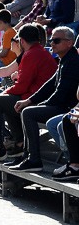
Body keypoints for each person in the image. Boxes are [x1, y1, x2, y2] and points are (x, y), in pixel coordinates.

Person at [0, 24, 56, 161]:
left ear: (22, 41)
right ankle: (19, 143)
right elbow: (13, 76)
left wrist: (3, 94)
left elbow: (22, 86)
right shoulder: (38, 51)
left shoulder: (31, 54)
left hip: (37, 100)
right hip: (37, 97)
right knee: (6, 102)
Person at [7, 26, 79, 172]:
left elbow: (61, 94)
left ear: (69, 43)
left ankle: (34, 159)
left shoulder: (73, 61)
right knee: (27, 109)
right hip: (62, 105)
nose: (52, 43)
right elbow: (49, 85)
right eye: (51, 40)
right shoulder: (65, 59)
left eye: (56, 41)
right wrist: (29, 101)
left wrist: (37, 105)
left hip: (67, 108)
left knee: (28, 113)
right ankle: (28, 156)